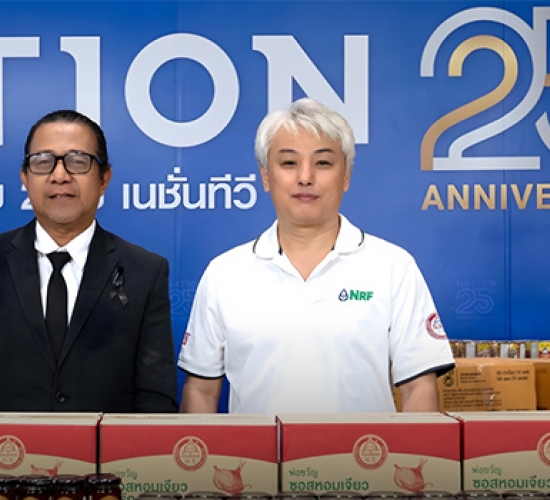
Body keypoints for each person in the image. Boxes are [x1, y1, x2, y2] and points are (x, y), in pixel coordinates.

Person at [179, 98, 453, 415]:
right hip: (261, 450)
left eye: (323, 163)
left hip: (364, 449)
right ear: (265, 176)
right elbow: (201, 390)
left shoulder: (393, 267)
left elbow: (419, 388)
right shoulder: (225, 273)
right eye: (289, 163)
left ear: (346, 176)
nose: (305, 177)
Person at [0, 109, 178, 412]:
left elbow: (156, 398)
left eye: (78, 161)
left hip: (104, 444)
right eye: (43, 162)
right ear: (24, 177)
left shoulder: (145, 271)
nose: (60, 176)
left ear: (104, 178)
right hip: (5, 443)